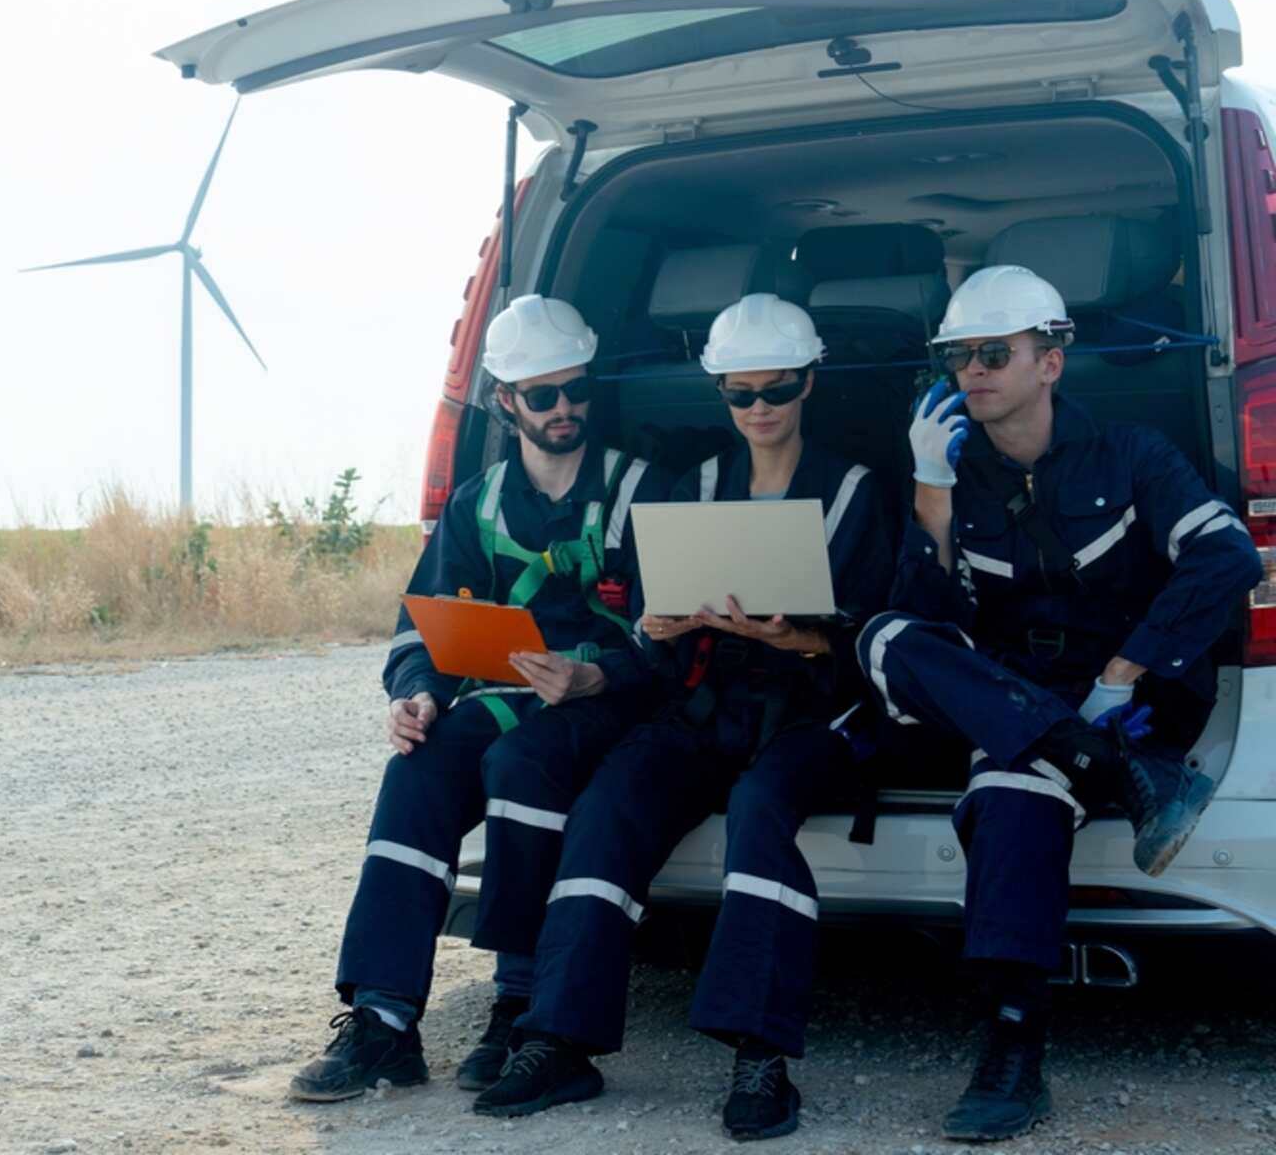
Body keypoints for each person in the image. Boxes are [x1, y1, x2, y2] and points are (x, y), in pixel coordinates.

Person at [853, 265, 1263, 1142]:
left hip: (1133, 694)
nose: (973, 370)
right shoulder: (952, 474)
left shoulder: (1132, 454)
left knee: (1009, 791)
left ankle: (1011, 1043)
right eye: (958, 355)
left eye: (994, 352)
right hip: (1020, 699)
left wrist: (1123, 672)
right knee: (884, 639)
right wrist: (930, 489)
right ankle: (1099, 768)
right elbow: (925, 620)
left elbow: (1230, 559)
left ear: (1052, 361)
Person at [475, 293, 893, 1141]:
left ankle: (760, 1056)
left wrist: (796, 634)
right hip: (704, 700)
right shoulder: (692, 486)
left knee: (760, 810)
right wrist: (658, 627)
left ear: (810, 384)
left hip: (815, 714)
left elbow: (878, 645)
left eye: (777, 389)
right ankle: (559, 1037)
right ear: (721, 395)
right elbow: (649, 634)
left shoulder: (853, 492)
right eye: (741, 394)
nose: (760, 409)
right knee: (610, 802)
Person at [288, 294, 673, 1102]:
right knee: (417, 771)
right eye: (543, 395)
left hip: (616, 702)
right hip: (508, 696)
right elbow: (420, 630)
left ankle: (519, 998)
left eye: (576, 390)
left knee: (520, 764)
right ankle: (384, 1019)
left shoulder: (642, 491)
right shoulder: (476, 504)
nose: (564, 408)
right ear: (506, 402)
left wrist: (598, 674)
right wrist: (418, 694)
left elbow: (675, 637)